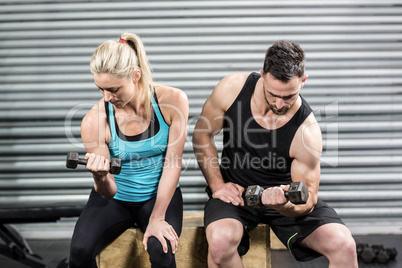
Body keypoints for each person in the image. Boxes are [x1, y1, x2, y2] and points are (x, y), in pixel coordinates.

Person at [192, 40, 357, 268]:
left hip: (284, 199)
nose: (279, 104)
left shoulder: (306, 132)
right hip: (237, 195)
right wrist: (218, 185)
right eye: (272, 94)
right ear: (262, 75)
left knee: (344, 245)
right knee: (219, 244)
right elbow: (202, 135)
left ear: (303, 81)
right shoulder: (232, 90)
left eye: (289, 96)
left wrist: (282, 204)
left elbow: (308, 200)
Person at [69, 33, 189, 268]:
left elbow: (173, 162)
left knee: (162, 248)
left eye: (113, 89)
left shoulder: (172, 102)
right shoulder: (94, 121)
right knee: (79, 252)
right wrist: (100, 175)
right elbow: (107, 192)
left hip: (159, 196)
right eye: (100, 89)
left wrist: (157, 218)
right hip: (116, 199)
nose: (106, 97)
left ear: (136, 76)